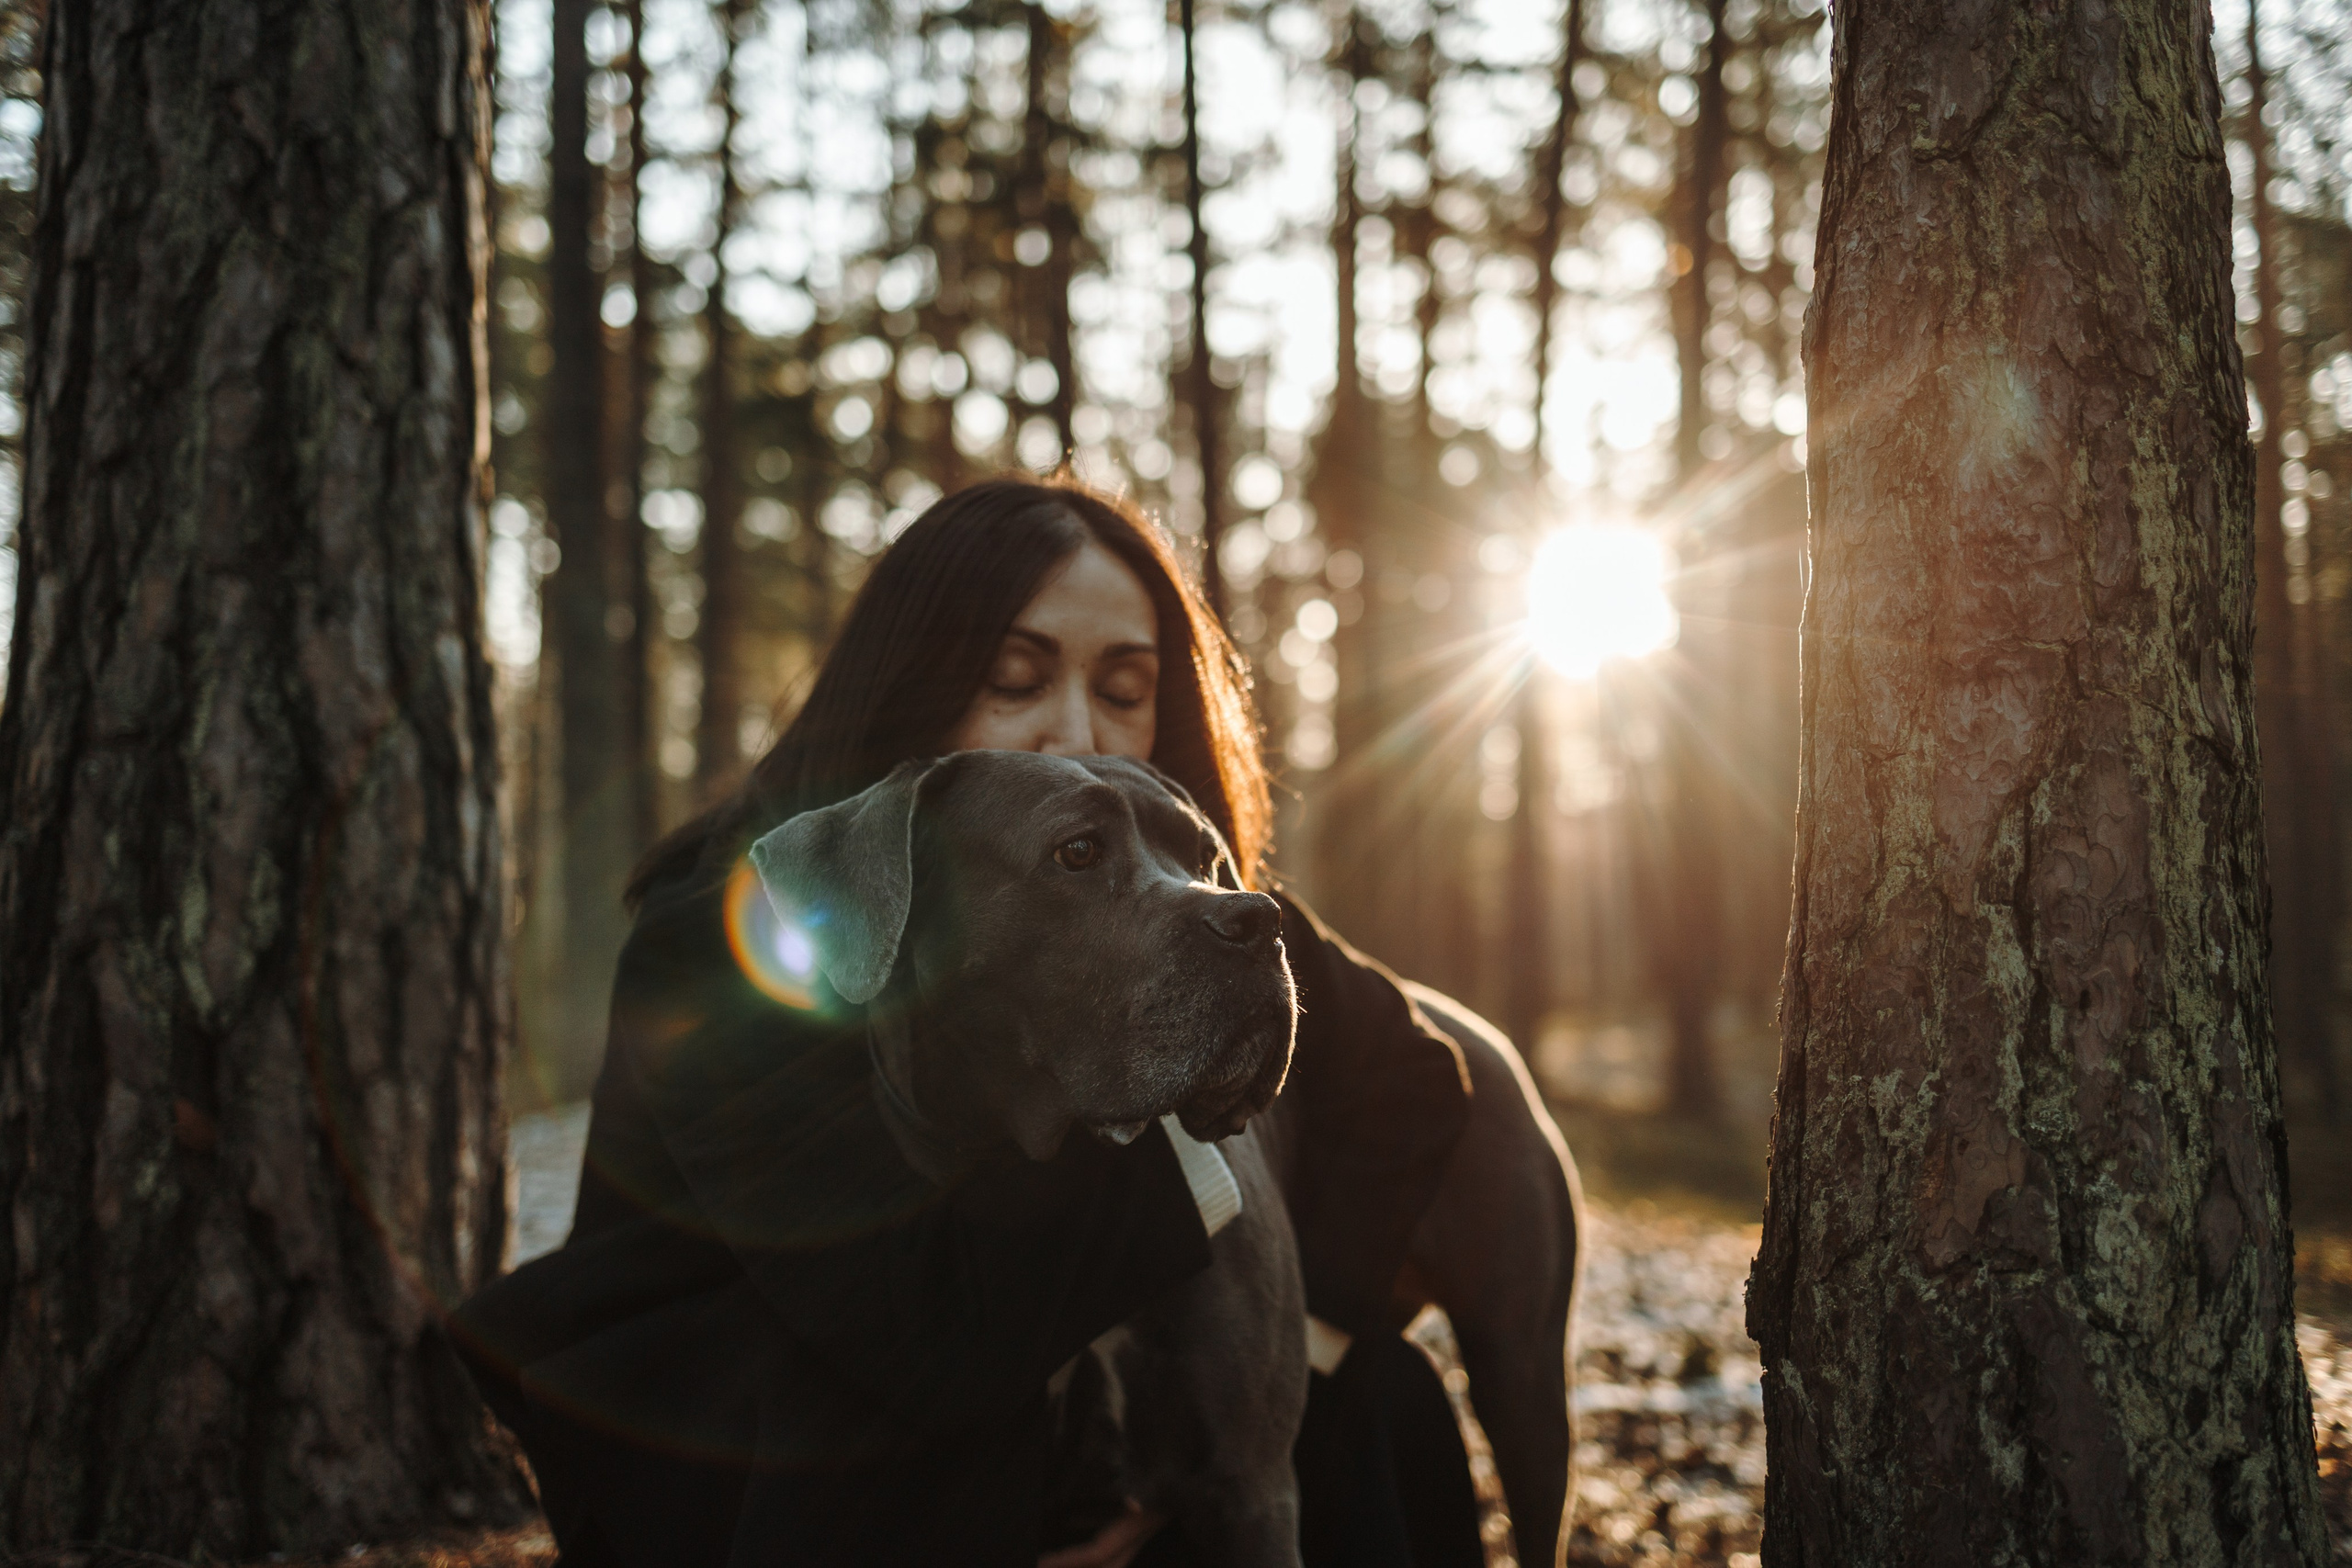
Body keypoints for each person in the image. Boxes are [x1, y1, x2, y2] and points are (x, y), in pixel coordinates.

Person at [453, 476, 1480, 1567]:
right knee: (910, 1430)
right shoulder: (732, 933)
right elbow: (906, 1321)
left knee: (1372, 1398)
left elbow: (1408, 1076)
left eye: (1125, 690)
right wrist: (1191, 1157)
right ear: (913, 681)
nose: (1074, 729)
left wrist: (1299, 1355)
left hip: (1029, 1386)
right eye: (1014, 679)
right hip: (767, 1438)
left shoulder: (1173, 880)